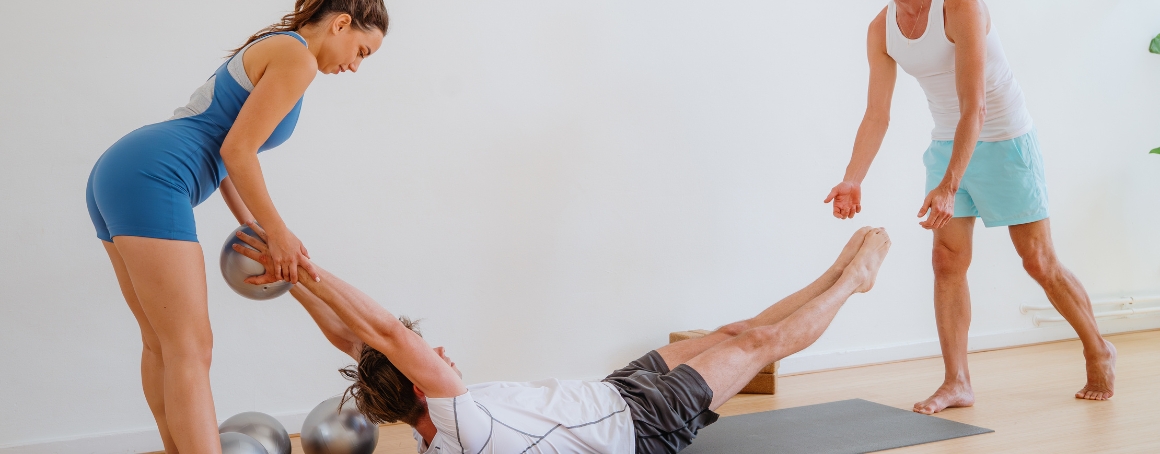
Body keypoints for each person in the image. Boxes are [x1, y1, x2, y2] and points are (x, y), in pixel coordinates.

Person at [233, 224, 891, 454]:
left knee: (733, 333)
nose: (442, 354)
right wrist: (306, 259)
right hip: (641, 428)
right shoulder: (458, 420)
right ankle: (853, 283)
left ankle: (832, 273)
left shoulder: (430, 421)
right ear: (418, 382)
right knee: (759, 346)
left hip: (612, 393)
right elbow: (380, 330)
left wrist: (292, 281)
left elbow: (356, 341)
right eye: (429, 356)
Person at [85, 0, 387, 453]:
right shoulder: (297, 58)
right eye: (361, 50)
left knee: (162, 343)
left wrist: (251, 225)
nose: (355, 65)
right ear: (341, 24)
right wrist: (279, 231)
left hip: (122, 171)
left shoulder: (279, 44)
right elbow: (237, 152)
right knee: (191, 347)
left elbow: (227, 146)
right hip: (153, 176)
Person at [825, 0, 1115, 414]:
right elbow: (877, 114)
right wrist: (853, 179)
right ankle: (957, 382)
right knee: (946, 261)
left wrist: (948, 185)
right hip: (947, 143)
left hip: (1003, 141)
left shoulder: (959, 3)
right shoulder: (881, 29)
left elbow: (975, 105)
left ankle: (1098, 347)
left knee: (1038, 261)